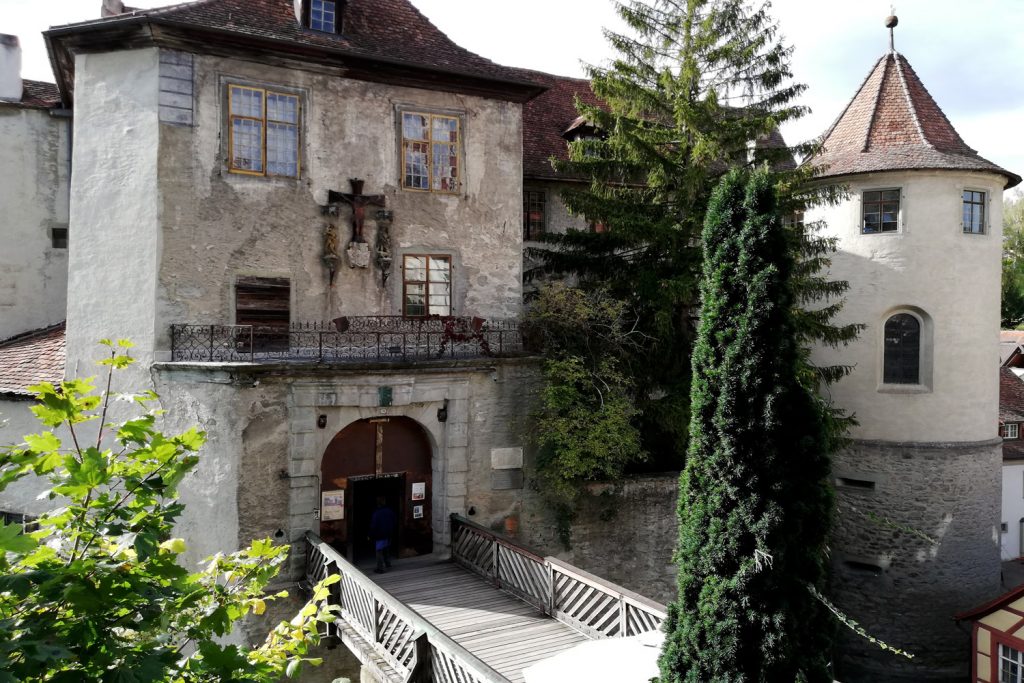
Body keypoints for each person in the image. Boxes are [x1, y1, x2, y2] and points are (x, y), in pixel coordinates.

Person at [368, 496, 396, 574]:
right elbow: (394, 521)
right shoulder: (389, 511)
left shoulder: (376, 513)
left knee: (379, 551)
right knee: (386, 548)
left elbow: (373, 525)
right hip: (389, 533)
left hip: (380, 534)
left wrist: (370, 535)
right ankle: (388, 563)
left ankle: (380, 568)